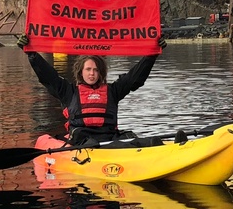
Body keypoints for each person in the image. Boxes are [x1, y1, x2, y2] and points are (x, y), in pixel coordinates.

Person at [19, 34, 162, 146]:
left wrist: (151, 55)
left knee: (130, 137)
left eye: (95, 70)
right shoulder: (69, 92)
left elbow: (134, 78)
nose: (92, 73)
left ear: (100, 73)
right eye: (88, 69)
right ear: (81, 72)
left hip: (109, 138)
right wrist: (32, 54)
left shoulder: (113, 91)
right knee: (91, 143)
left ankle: (156, 146)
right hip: (82, 141)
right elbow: (48, 76)